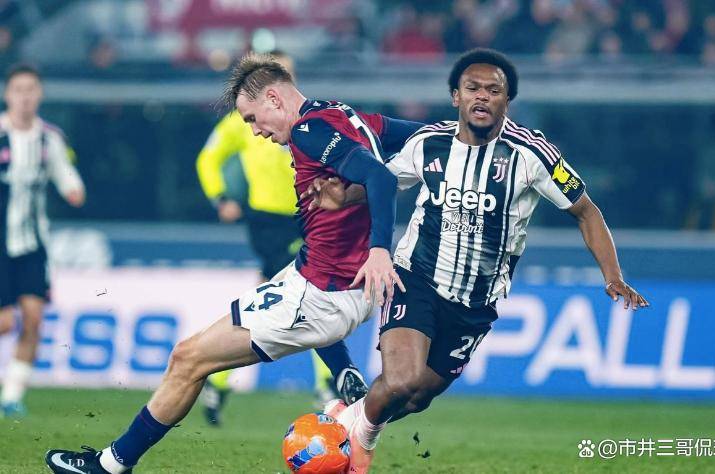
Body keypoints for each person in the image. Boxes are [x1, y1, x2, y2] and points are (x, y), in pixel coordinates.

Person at [44, 53, 423, 473]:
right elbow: (420, 137)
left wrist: (379, 249)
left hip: (323, 292)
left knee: (188, 359)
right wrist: (468, 137)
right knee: (198, 351)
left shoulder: (309, 131)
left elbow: (380, 178)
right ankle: (344, 379)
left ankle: (110, 465)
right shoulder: (342, 114)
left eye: (252, 118)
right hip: (324, 282)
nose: (256, 131)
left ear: (274, 98)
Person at [305, 48, 650, 472]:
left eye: (493, 90)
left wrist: (612, 275)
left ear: (507, 101)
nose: (482, 96)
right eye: (472, 88)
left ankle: (345, 418)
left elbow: (586, 210)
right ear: (456, 97)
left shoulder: (533, 154)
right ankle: (357, 454)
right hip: (416, 278)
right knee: (402, 379)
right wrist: (344, 196)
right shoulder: (428, 143)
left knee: (416, 398)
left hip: (476, 304)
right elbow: (383, 182)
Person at [195, 50, 368, 425]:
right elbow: (207, 159)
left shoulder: (308, 120)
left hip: (310, 214)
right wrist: (220, 197)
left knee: (274, 297)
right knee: (312, 294)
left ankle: (217, 379)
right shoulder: (241, 121)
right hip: (270, 221)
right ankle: (329, 383)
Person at [0, 64, 85, 418]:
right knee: (5, 323)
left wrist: (73, 188)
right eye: (18, 90)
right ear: (7, 95)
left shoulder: (50, 138)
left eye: (31, 89)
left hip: (33, 243)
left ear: (39, 94)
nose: (25, 97)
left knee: (33, 319)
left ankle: (11, 397)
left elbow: (66, 176)